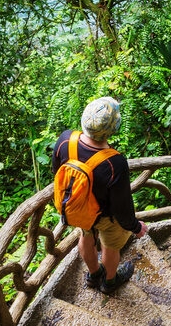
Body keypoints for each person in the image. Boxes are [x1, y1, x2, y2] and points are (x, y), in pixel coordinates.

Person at [52, 97, 147, 294]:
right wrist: (136, 227)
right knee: (110, 247)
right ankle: (109, 282)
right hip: (105, 217)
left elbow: (57, 173)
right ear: (113, 128)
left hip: (79, 209)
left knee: (86, 235)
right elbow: (122, 207)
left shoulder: (65, 140)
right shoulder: (114, 163)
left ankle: (94, 275)